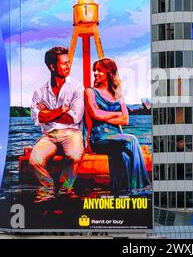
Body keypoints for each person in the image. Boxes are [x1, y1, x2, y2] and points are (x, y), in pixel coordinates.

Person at [84, 58, 150, 194]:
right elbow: (96, 115)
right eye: (94, 70)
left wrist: (105, 115)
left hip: (117, 138)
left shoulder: (117, 93)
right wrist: (116, 114)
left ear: (109, 72)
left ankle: (125, 190)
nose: (95, 73)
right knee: (131, 140)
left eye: (99, 71)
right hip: (99, 138)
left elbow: (125, 119)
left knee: (125, 156)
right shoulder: (90, 92)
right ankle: (141, 187)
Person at [30, 46, 84, 203]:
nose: (68, 66)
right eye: (64, 63)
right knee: (34, 160)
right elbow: (39, 118)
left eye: (69, 62)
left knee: (74, 156)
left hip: (72, 133)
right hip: (49, 135)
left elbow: (75, 118)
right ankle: (48, 189)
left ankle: (66, 190)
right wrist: (61, 110)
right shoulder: (39, 92)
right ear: (52, 67)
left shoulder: (76, 87)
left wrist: (49, 112)